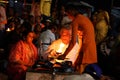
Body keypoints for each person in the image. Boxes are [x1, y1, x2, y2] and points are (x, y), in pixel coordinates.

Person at [58, 3, 97, 73]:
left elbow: (73, 42)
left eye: (67, 14)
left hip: (87, 47)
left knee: (81, 70)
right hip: (89, 45)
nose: (68, 17)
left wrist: (64, 55)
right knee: (78, 65)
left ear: (70, 12)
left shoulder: (76, 21)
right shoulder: (83, 18)